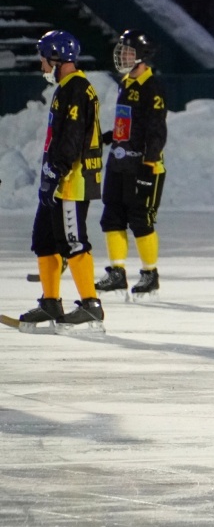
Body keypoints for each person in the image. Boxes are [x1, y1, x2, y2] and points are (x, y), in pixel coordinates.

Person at [19, 30, 105, 334]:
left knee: (72, 241)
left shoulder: (76, 89)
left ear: (56, 58)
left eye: (43, 59)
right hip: (59, 178)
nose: (42, 65)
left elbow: (71, 137)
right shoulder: (68, 86)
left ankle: (91, 306)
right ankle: (51, 301)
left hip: (72, 180)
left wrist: (56, 171)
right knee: (43, 240)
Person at [94, 30, 168, 300]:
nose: (123, 56)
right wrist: (109, 137)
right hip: (119, 162)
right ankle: (117, 272)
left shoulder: (153, 87)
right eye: (123, 51)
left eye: (128, 52)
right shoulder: (125, 83)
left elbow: (156, 130)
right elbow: (128, 124)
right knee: (111, 217)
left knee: (141, 219)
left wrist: (149, 163)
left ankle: (150, 274)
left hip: (142, 164)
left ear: (143, 57)